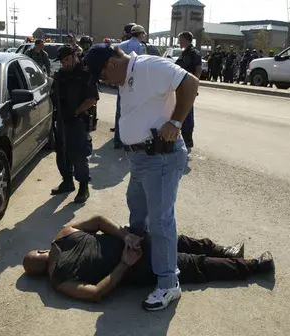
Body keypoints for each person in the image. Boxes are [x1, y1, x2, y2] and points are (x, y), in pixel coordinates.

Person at [83, 44, 198, 311]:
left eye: (102, 75)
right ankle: (140, 258)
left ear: (112, 63)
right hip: (141, 157)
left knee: (160, 220)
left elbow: (190, 83)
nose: (103, 82)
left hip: (160, 156)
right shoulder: (127, 75)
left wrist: (177, 122)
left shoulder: (148, 67)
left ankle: (169, 283)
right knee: (137, 211)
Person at [22, 216, 275, 307]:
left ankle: (245, 260)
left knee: (189, 259)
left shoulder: (58, 281)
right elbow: (98, 220)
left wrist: (124, 260)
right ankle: (242, 259)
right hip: (134, 251)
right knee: (181, 246)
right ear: (42, 251)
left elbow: (97, 293)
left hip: (132, 260)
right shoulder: (63, 233)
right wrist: (127, 238)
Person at [50, 45, 98, 204]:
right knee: (62, 152)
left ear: (74, 56)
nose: (65, 63)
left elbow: (91, 99)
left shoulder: (85, 74)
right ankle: (67, 181)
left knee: (79, 155)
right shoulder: (60, 75)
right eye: (62, 61)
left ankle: (83, 187)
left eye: (67, 60)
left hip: (78, 120)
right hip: (62, 120)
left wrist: (76, 112)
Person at [112, 24, 147, 149]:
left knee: (119, 111)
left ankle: (117, 140)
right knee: (132, 112)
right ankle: (128, 141)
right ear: (140, 34)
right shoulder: (139, 46)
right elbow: (139, 65)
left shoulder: (120, 45)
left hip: (120, 81)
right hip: (133, 82)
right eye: (143, 34)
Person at [175, 31, 202, 149]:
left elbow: (199, 69)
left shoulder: (194, 53)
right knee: (182, 110)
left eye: (180, 39)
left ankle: (188, 139)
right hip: (180, 86)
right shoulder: (185, 53)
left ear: (186, 39)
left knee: (187, 113)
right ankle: (182, 137)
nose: (179, 42)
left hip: (188, 86)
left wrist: (194, 86)